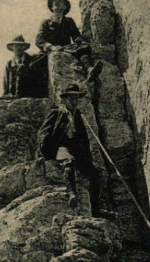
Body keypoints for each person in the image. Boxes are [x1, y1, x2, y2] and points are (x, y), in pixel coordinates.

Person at [36, 83, 112, 217]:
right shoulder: (57, 113)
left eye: (76, 99)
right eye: (71, 98)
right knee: (69, 161)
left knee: (94, 174)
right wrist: (42, 151)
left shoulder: (78, 116)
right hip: (57, 147)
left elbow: (84, 139)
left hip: (74, 150)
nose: (74, 102)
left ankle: (95, 210)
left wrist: (87, 160)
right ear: (65, 99)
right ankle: (72, 193)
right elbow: (43, 133)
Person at [35, 0, 103, 82]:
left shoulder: (69, 21)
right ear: (51, 7)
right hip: (50, 50)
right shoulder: (46, 23)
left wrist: (79, 40)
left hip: (66, 48)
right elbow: (39, 40)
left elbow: (76, 36)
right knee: (34, 65)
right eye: (54, 1)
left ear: (64, 7)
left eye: (60, 1)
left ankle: (89, 70)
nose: (57, 2)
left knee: (84, 47)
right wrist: (52, 47)